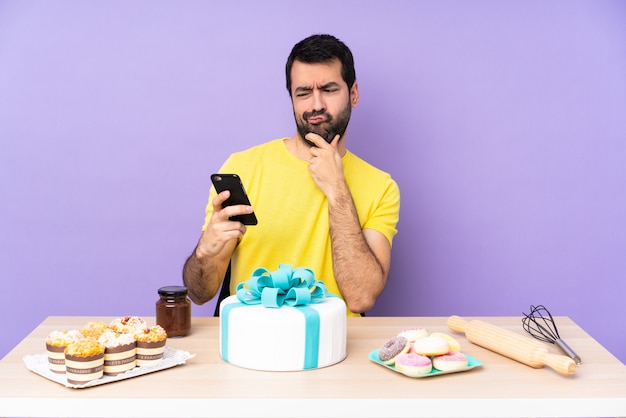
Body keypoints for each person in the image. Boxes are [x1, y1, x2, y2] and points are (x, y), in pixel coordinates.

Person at [182, 34, 400, 316]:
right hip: (252, 346)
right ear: (292, 99)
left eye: (330, 89)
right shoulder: (243, 168)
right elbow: (200, 294)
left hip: (334, 349)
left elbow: (360, 298)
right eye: (303, 93)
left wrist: (337, 190)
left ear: (353, 94)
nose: (316, 104)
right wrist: (204, 252)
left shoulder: (381, 187)